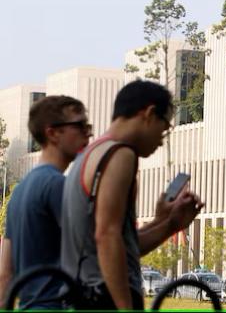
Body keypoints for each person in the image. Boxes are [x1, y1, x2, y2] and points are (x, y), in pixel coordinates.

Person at [60, 80, 204, 310]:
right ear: (148, 114)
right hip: (102, 297)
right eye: (164, 128)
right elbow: (106, 236)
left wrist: (167, 224)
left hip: (79, 295)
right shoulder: (120, 155)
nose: (161, 139)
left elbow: (120, 245)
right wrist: (125, 306)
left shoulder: (89, 155)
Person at [0, 96, 92, 309]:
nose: (87, 133)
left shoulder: (19, 191)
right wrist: (166, 224)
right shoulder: (57, 186)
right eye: (79, 125)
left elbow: (5, 273)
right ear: (52, 133)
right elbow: (98, 247)